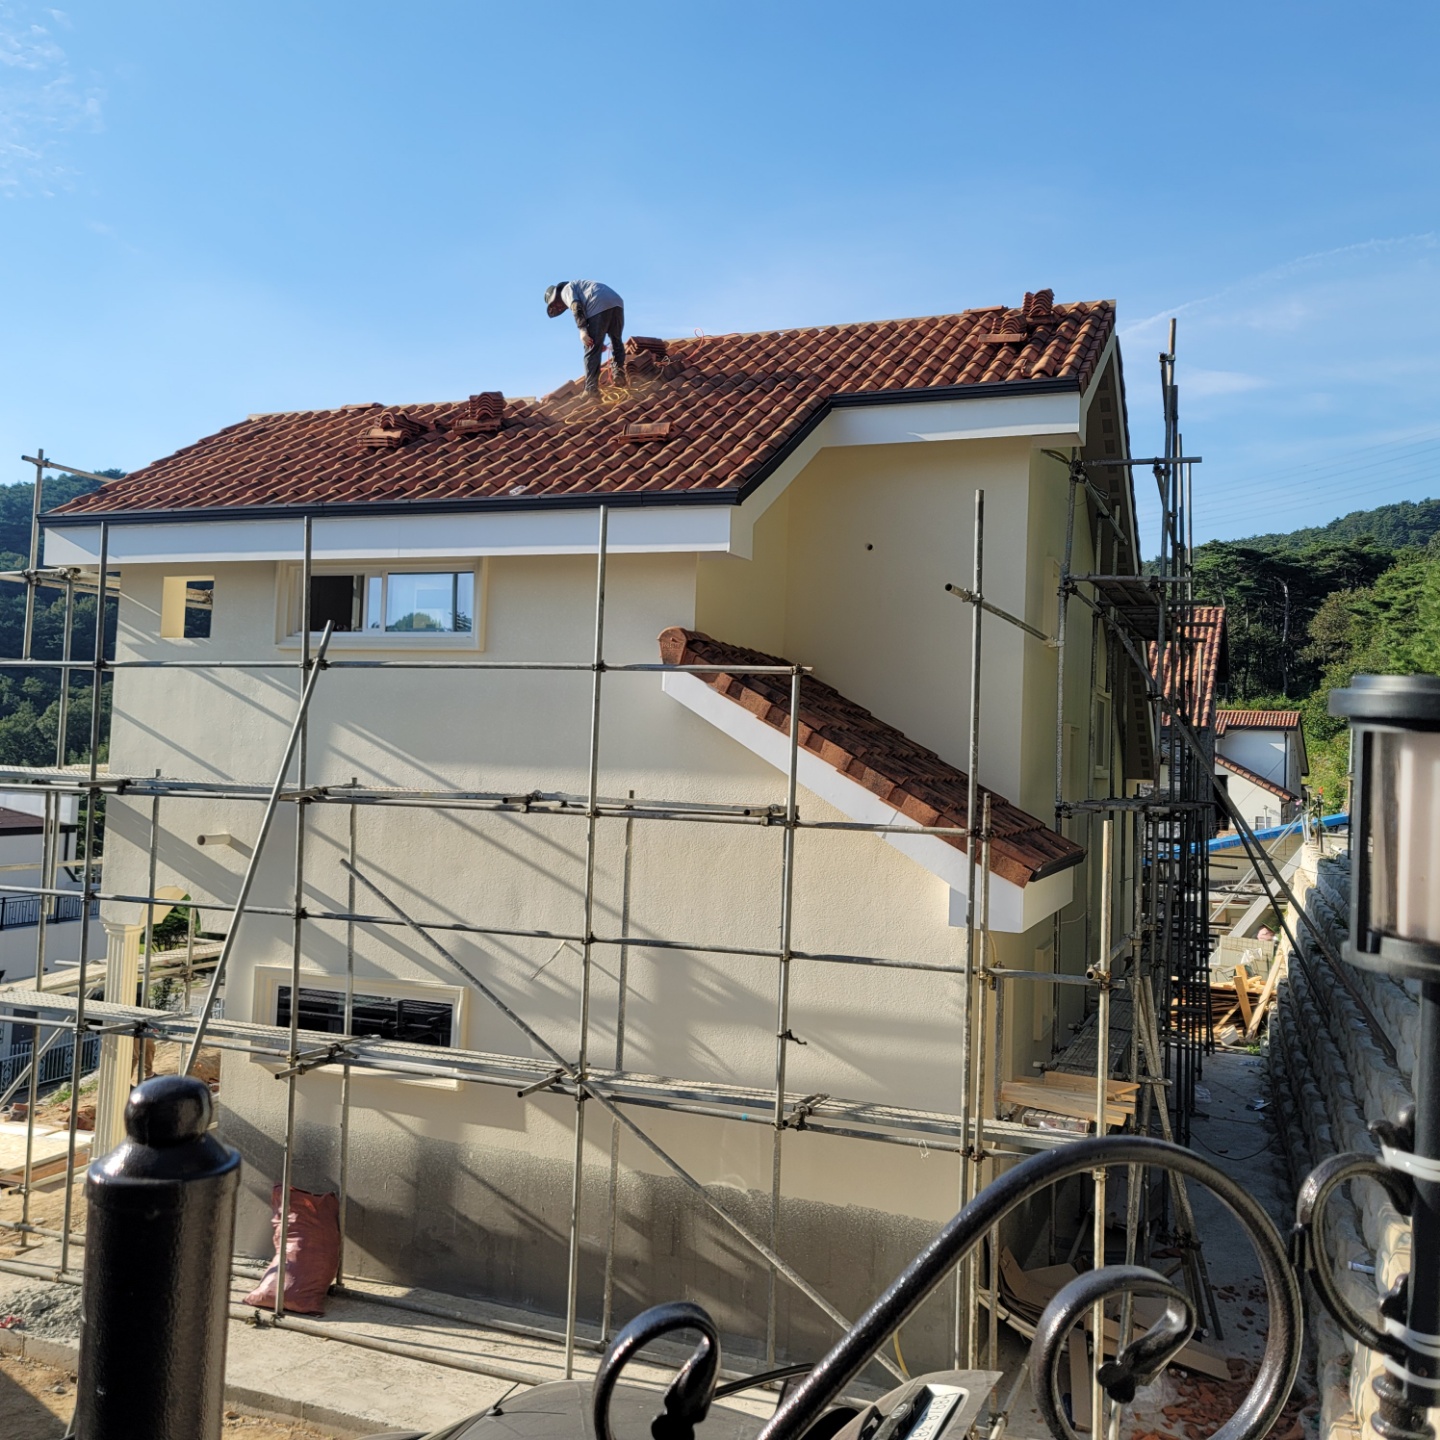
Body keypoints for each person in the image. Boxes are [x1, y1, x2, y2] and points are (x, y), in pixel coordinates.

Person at [545, 280, 626, 396]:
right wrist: (599, 340)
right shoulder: (580, 287)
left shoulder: (565, 290)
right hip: (616, 303)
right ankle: (619, 375)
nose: (558, 306)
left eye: (555, 303)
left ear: (557, 295)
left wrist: (582, 330)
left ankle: (590, 389)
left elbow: (576, 306)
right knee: (616, 340)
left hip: (598, 302)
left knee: (590, 346)